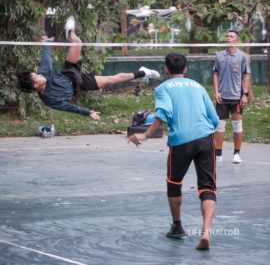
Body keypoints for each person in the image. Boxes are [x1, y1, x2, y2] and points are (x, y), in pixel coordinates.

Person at [128, 53, 219, 250]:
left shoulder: (162, 88)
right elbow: (214, 119)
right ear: (185, 69)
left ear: (166, 70)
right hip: (205, 138)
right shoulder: (198, 86)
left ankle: (177, 227)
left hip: (181, 142)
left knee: (174, 183)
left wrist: (145, 135)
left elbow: (164, 113)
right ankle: (206, 233)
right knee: (207, 188)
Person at [17, 16, 160, 121]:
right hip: (80, 84)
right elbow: (70, 107)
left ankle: (70, 32)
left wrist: (47, 43)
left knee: (77, 42)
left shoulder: (45, 75)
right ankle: (143, 72)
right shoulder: (50, 100)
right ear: (36, 85)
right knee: (112, 80)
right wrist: (88, 112)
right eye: (37, 76)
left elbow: (46, 60)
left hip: (68, 72)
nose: (40, 74)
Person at [213, 30, 251, 163]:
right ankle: (218, 154)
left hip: (237, 97)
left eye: (231, 36)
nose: (228, 38)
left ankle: (237, 154)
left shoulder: (242, 57)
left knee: (237, 126)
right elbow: (216, 74)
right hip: (222, 97)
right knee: (219, 127)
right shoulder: (219, 56)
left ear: (237, 40)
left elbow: (246, 75)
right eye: (227, 36)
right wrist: (217, 91)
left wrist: (245, 94)